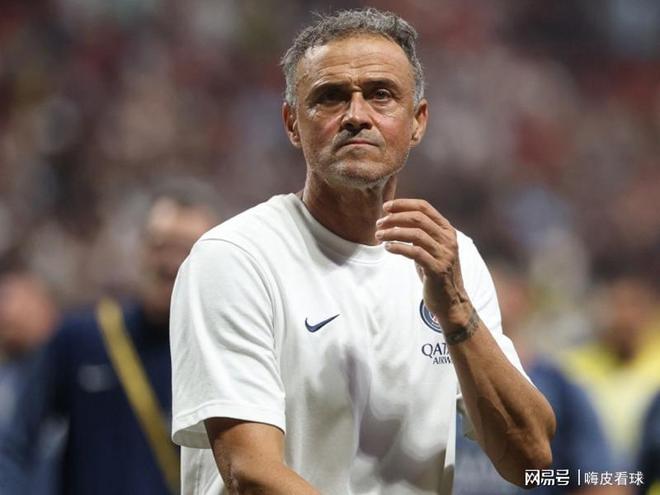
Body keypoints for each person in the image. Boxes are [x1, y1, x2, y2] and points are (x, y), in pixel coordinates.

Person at [170, 8, 555, 495]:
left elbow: (531, 458)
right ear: (292, 124)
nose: (356, 116)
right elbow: (251, 473)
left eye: (381, 95)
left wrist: (457, 313)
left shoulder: (450, 259)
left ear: (417, 122)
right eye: (330, 97)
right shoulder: (236, 258)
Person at [0, 180, 220, 495]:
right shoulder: (83, 339)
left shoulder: (222, 352)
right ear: (140, 249)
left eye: (185, 249)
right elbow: (12, 444)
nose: (170, 263)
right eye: (160, 245)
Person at [454, 263, 623, 495]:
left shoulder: (559, 386)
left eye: (489, 288)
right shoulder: (434, 378)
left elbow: (604, 482)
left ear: (521, 297)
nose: (474, 299)